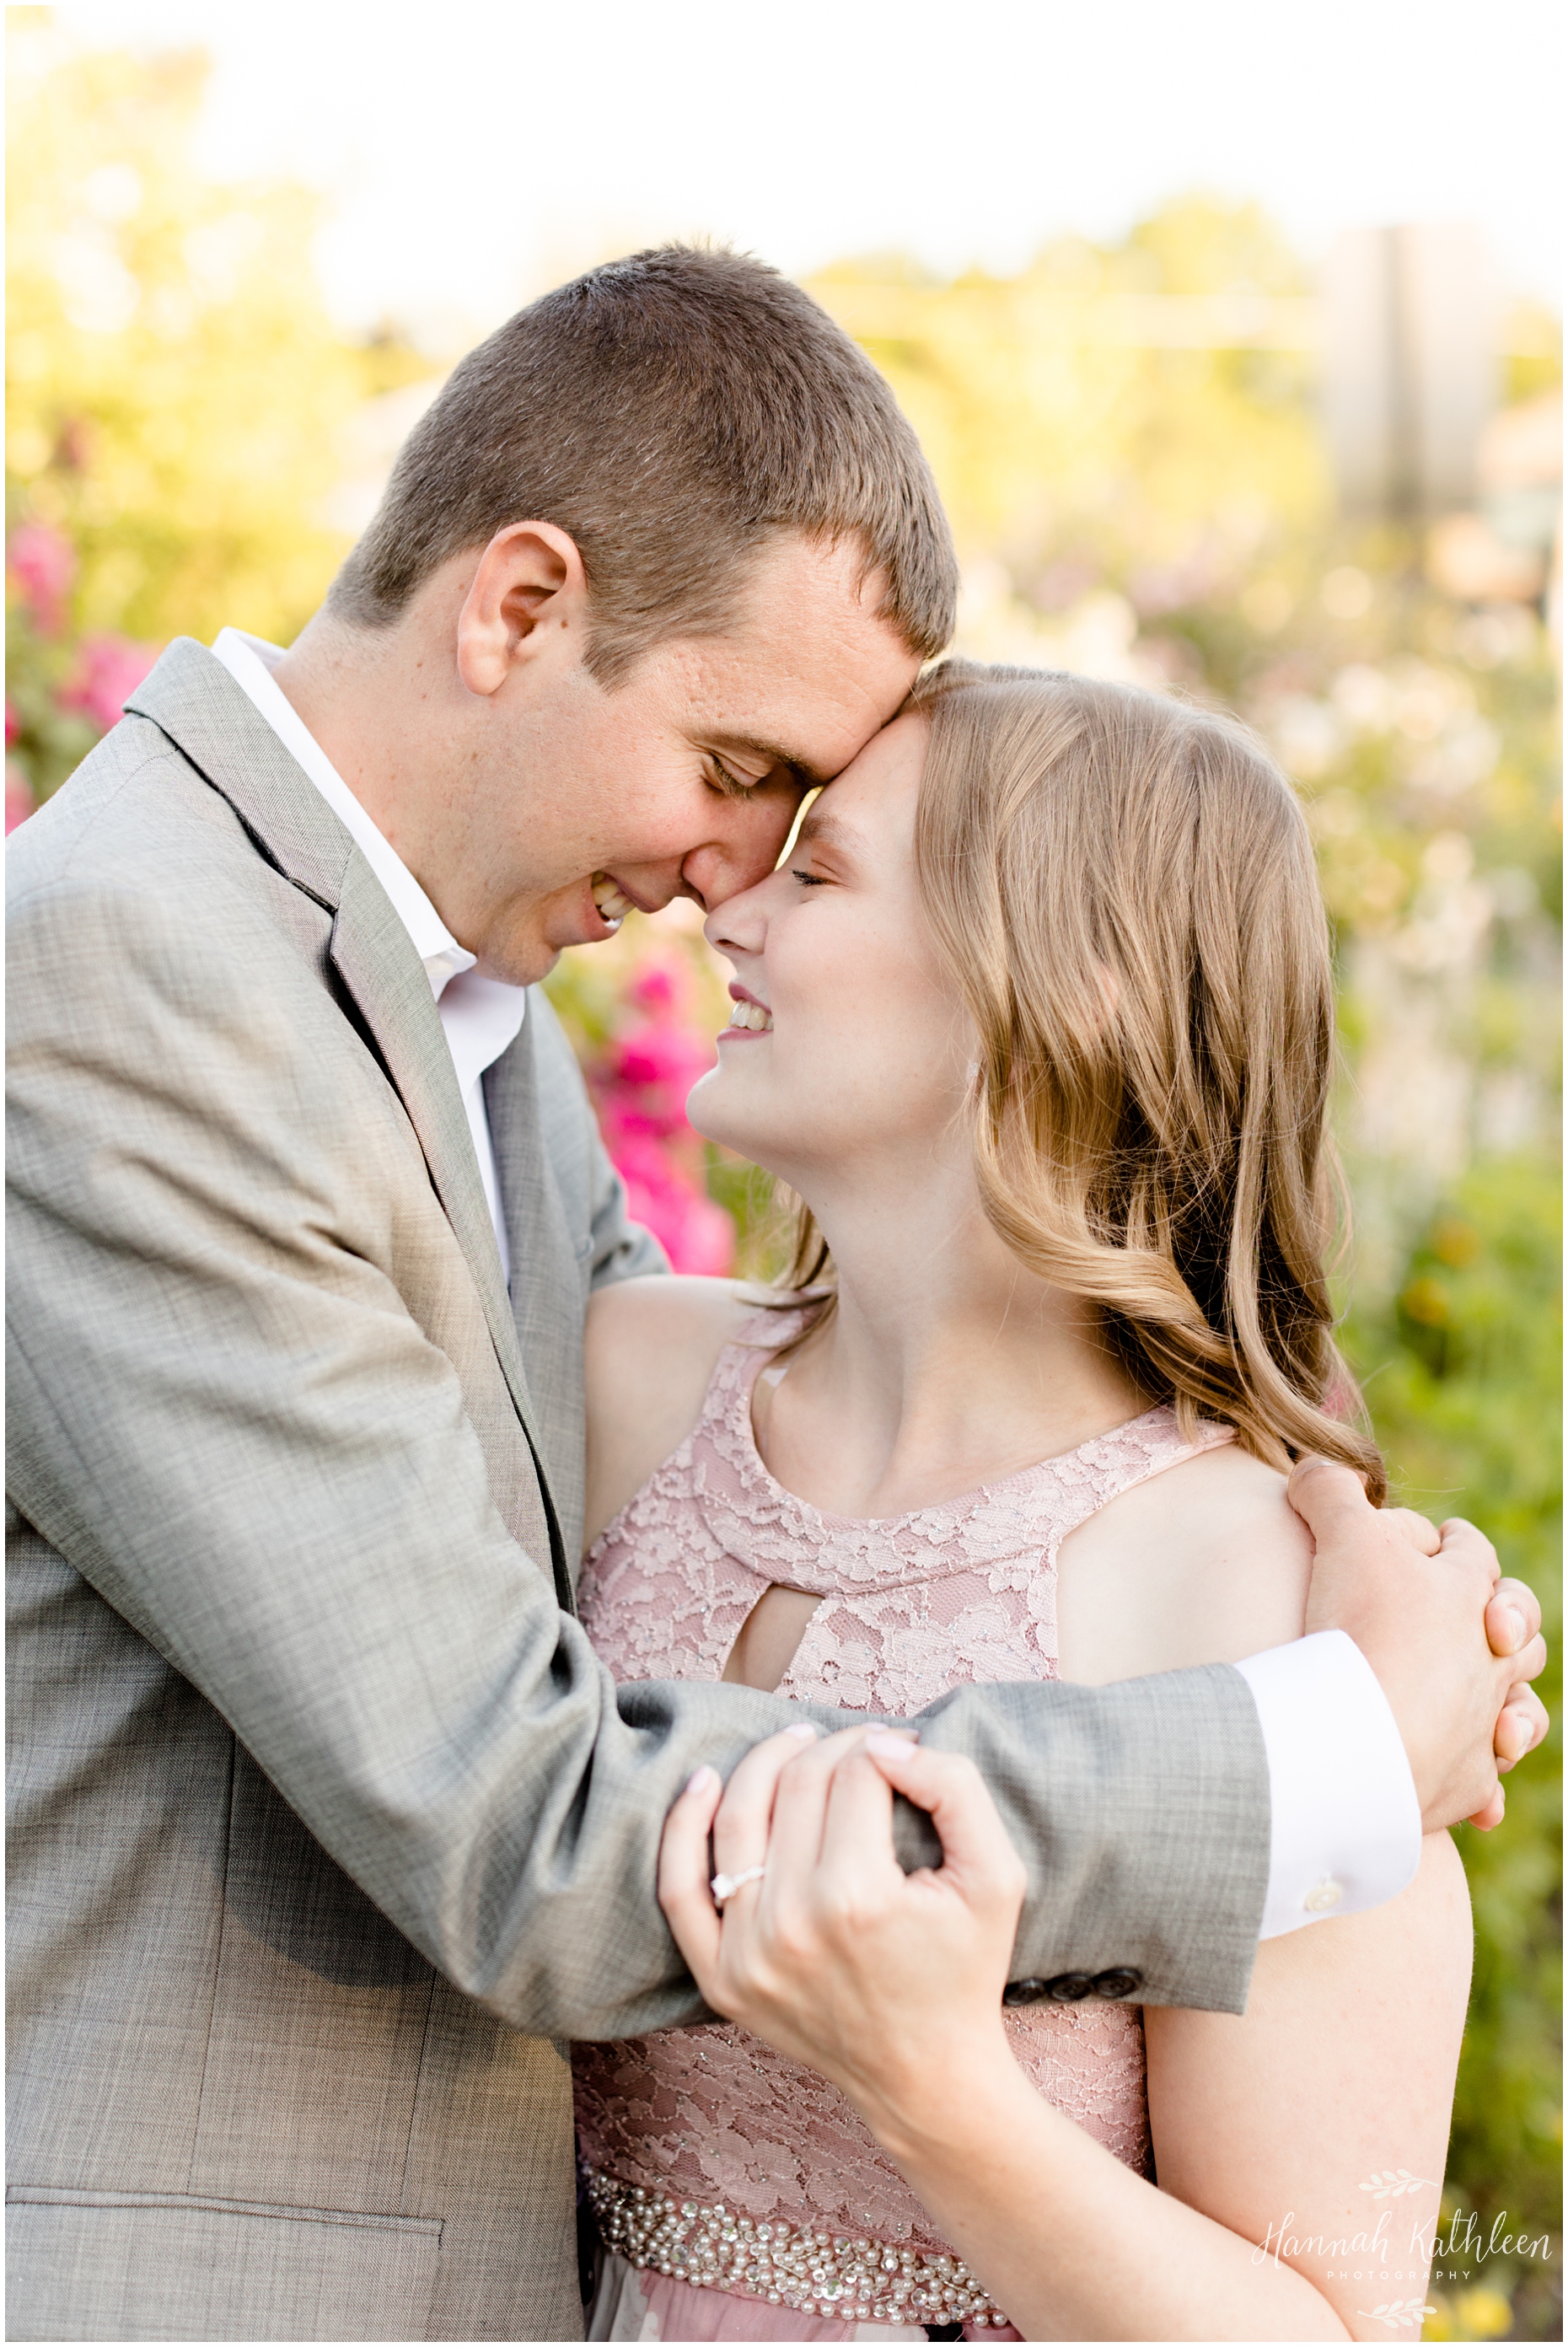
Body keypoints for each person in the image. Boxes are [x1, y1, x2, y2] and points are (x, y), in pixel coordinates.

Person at [5, 252, 1544, 2345]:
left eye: (812, 842)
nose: (734, 875)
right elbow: (519, 1817)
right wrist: (1313, 1760)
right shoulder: (131, 981)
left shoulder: (469, 1018)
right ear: (520, 606)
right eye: (742, 771)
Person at [574, 663, 1546, 2343]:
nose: (732, 903)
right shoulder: (621, 1385)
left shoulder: (1273, 1599)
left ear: (1052, 985)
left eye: (821, 867)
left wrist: (937, 2089)